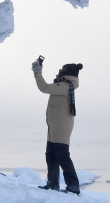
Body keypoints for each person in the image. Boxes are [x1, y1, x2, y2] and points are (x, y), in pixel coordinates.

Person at [31, 59, 84, 195]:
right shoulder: (64, 85)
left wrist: (38, 72)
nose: (59, 71)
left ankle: (73, 186)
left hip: (61, 128)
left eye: (62, 69)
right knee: (51, 156)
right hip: (54, 128)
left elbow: (44, 88)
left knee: (62, 157)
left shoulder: (65, 86)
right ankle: (53, 183)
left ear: (67, 72)